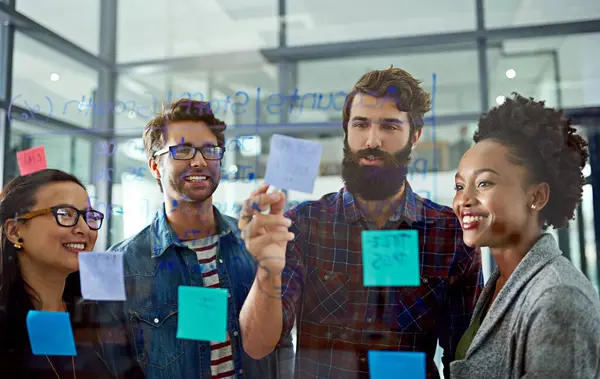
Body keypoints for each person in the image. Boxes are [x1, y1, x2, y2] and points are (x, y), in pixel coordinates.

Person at [238, 67, 484, 379]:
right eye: (361, 124)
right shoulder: (304, 224)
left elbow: (465, 361)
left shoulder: (449, 233)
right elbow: (258, 345)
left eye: (389, 127)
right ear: (346, 132)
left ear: (415, 136)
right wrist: (266, 270)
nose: (372, 140)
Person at [106, 99, 293, 379]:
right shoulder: (122, 264)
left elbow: (278, 348)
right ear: (155, 167)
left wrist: (269, 269)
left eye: (209, 150)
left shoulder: (254, 245)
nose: (199, 160)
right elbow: (113, 366)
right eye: (182, 150)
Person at [450, 93, 600, 378]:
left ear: (537, 196)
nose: (463, 201)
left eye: (484, 183)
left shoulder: (558, 298)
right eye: (459, 186)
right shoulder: (502, 282)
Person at [0, 169, 144, 379]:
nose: (84, 228)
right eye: (65, 214)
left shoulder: (100, 317)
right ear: (14, 231)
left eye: (89, 216)